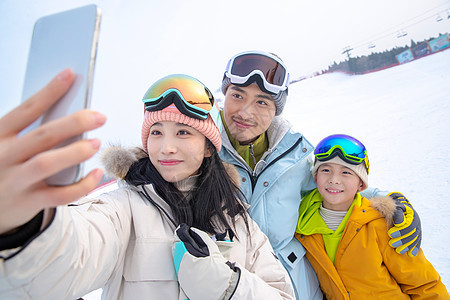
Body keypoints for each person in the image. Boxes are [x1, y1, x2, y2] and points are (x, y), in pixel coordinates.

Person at [0, 71, 295, 299]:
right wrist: (24, 225)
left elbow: (281, 293)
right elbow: (64, 264)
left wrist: (227, 286)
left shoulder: (237, 219)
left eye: (182, 132)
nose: (166, 147)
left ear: (208, 148)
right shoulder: (124, 208)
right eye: (156, 132)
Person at [218, 50, 423, 299]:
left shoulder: (293, 153)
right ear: (224, 95)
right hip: (236, 286)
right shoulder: (201, 153)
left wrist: (389, 199)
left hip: (299, 286)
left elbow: (331, 186)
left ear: (275, 110)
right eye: (237, 95)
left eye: (262, 101)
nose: (246, 112)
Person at [295, 134, 449, 299]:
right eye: (326, 170)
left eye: (346, 172)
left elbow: (425, 285)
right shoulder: (302, 226)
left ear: (361, 184)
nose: (334, 180)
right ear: (316, 177)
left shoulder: (381, 225)